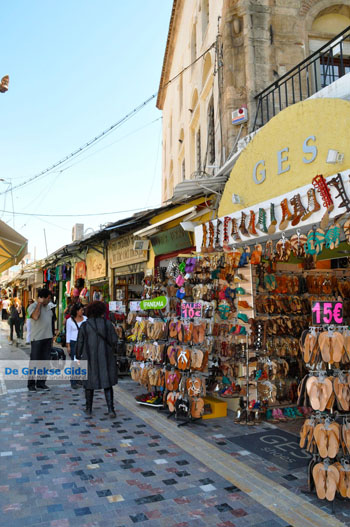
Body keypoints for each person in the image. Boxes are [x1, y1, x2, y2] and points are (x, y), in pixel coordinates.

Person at [76, 300, 118, 418]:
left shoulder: (85, 325)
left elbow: (80, 342)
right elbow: (114, 340)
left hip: (89, 358)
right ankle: (111, 409)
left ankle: (88, 409)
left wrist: (78, 355)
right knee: (107, 383)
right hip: (106, 357)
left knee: (89, 384)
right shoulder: (107, 324)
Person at [27, 288, 53, 392]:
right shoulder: (32, 306)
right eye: (48, 298)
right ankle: (31, 385)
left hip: (48, 338)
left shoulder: (50, 306)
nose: (50, 300)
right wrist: (39, 303)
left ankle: (41, 383)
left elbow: (52, 318)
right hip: (37, 338)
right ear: (43, 298)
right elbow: (35, 317)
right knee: (34, 362)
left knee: (45, 362)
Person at [66, 302, 87, 389]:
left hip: (84, 342)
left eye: (83, 310)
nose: (82, 311)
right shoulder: (69, 320)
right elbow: (68, 333)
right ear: (77, 311)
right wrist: (68, 346)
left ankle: (81, 380)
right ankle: (73, 381)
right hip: (74, 342)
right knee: (75, 362)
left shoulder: (86, 319)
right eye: (81, 310)